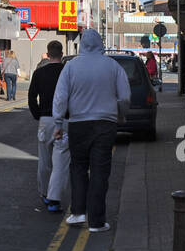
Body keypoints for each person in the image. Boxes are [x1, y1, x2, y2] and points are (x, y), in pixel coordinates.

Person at [53, 29, 130, 233]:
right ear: (100, 44)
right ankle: (96, 221)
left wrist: (59, 124)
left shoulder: (71, 67)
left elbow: (60, 97)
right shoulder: (113, 66)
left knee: (78, 168)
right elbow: (124, 97)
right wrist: (121, 116)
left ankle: (78, 213)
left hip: (78, 124)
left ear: (83, 45)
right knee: (100, 171)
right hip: (105, 125)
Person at [28, 41, 69, 212]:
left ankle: (44, 193)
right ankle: (54, 199)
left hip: (45, 120)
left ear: (48, 53)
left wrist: (38, 114)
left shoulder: (39, 73)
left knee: (44, 162)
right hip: (65, 120)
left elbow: (31, 97)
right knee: (60, 163)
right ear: (61, 54)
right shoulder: (67, 73)